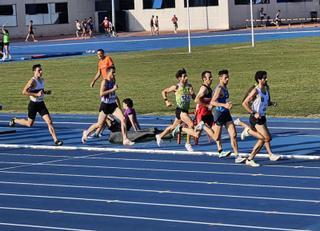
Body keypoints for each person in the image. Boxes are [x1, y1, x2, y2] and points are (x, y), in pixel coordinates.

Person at [8, 64, 63, 146]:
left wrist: (46, 92)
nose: (41, 72)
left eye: (41, 70)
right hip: (33, 105)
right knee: (29, 124)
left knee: (49, 122)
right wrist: (36, 94)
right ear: (34, 72)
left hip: (41, 104)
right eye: (39, 70)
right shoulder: (32, 81)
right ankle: (15, 120)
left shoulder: (42, 80)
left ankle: (56, 140)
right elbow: (24, 92)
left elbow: (41, 91)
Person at [235, 71, 280, 167]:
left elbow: (266, 102)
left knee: (263, 139)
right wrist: (253, 112)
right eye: (264, 78)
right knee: (266, 138)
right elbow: (244, 103)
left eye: (266, 77)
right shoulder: (256, 91)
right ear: (259, 80)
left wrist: (272, 103)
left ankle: (253, 158)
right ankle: (247, 130)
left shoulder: (266, 89)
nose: (266, 79)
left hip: (262, 117)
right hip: (255, 118)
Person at [81, 66, 134, 146]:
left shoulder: (113, 80)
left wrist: (119, 106)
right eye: (113, 72)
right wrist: (113, 89)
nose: (114, 74)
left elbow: (115, 95)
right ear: (108, 73)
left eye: (115, 72)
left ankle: (125, 139)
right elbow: (101, 94)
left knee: (123, 119)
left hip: (113, 105)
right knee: (99, 124)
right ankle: (86, 132)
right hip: (105, 106)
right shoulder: (104, 81)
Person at [155, 68, 200, 152]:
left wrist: (200, 101)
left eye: (186, 76)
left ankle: (160, 136)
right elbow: (164, 91)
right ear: (179, 78)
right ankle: (187, 143)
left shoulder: (189, 86)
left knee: (172, 128)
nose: (186, 77)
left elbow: (194, 97)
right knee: (191, 125)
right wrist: (167, 101)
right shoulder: (176, 87)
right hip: (180, 110)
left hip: (185, 110)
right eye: (184, 76)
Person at [209, 70, 246, 164]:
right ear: (220, 78)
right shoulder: (219, 88)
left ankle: (237, 156)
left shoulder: (225, 87)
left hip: (226, 114)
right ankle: (203, 126)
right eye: (225, 78)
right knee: (216, 137)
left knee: (233, 134)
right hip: (219, 114)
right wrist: (224, 105)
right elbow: (212, 102)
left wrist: (227, 105)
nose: (228, 79)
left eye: (228, 77)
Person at [194, 71, 231, 158]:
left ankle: (220, 151)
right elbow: (196, 100)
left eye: (211, 77)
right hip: (202, 113)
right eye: (209, 77)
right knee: (197, 135)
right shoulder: (204, 89)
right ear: (204, 79)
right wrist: (207, 105)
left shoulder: (209, 88)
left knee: (216, 134)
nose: (211, 79)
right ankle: (182, 128)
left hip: (209, 113)